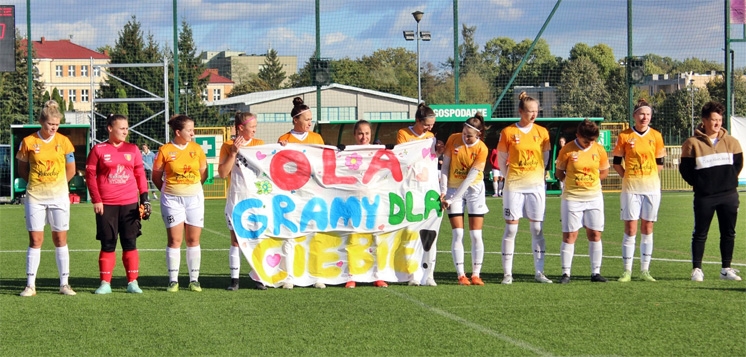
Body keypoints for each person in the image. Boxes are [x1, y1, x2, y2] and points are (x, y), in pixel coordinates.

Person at [16, 100, 77, 297]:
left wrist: (59, 185)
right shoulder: (28, 142)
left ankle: (64, 284)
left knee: (60, 239)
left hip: (59, 197)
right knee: (36, 240)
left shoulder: (64, 142)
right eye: (51, 124)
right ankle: (30, 285)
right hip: (35, 197)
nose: (54, 128)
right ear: (42, 122)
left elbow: (71, 169)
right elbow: (22, 169)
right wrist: (38, 182)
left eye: (57, 124)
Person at [86, 114, 150, 294]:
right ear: (110, 128)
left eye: (126, 128)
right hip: (106, 205)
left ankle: (132, 282)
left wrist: (144, 198)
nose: (125, 131)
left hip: (130, 204)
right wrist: (96, 199)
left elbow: (140, 175)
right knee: (108, 243)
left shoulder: (133, 149)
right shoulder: (98, 149)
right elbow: (90, 176)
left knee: (130, 242)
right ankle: (105, 283)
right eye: (121, 128)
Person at [679, 101, 743, 282]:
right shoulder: (691, 143)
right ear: (704, 120)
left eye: (720, 119)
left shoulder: (732, 142)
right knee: (700, 232)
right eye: (714, 120)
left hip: (729, 195)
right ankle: (697, 269)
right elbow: (685, 169)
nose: (717, 123)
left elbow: (738, 164)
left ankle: (726, 269)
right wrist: (701, 184)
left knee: (729, 232)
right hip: (704, 197)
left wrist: (728, 181)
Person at [496, 91, 552, 284]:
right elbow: (502, 159)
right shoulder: (508, 132)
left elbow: (545, 159)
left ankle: (539, 272)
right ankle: (507, 274)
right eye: (530, 111)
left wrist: (535, 174)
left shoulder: (542, 132)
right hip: (514, 187)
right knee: (511, 230)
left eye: (536, 111)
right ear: (521, 111)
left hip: (536, 187)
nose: (534, 114)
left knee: (537, 229)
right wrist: (511, 176)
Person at [612, 98, 666, 282]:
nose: (645, 117)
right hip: (631, 189)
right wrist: (629, 177)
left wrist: (648, 177)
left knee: (648, 227)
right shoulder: (625, 136)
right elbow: (617, 163)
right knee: (630, 228)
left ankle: (645, 270)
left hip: (651, 189)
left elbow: (660, 163)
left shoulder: (656, 136)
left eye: (648, 114)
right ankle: (627, 271)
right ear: (634, 116)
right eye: (641, 114)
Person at [152, 114, 207, 292]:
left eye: (193, 129)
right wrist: (171, 191)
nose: (193, 132)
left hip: (195, 199)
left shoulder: (197, 149)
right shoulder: (165, 150)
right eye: (189, 130)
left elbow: (203, 173)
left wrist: (192, 188)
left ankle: (194, 280)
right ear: (178, 132)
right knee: (175, 240)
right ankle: (173, 280)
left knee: (193, 239)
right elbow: (156, 177)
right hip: (172, 200)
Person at [278, 97, 325, 289]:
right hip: (290, 193)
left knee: (313, 233)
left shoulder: (317, 138)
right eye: (306, 119)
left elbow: (324, 163)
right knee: (289, 233)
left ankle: (315, 275)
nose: (310, 123)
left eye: (311, 119)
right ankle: (289, 276)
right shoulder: (284, 140)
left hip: (312, 193)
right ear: (296, 120)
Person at [555, 119, 610, 283]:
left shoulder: (599, 150)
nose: (589, 143)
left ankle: (595, 272)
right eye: (586, 140)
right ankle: (566, 273)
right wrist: (574, 184)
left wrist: (590, 184)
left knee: (595, 234)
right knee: (570, 235)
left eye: (592, 140)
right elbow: (559, 174)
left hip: (594, 198)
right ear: (578, 135)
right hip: (572, 198)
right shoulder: (567, 150)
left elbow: (604, 172)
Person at [218, 112, 267, 291]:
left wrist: (282, 147)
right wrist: (233, 153)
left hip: (256, 199)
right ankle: (234, 279)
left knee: (257, 238)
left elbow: (271, 162)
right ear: (241, 128)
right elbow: (223, 173)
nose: (255, 130)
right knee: (236, 241)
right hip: (236, 198)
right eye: (252, 127)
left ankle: (259, 276)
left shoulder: (259, 145)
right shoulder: (227, 146)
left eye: (255, 127)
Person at [440, 113, 489, 286]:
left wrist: (453, 199)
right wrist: (444, 191)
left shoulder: (482, 149)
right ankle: (461, 275)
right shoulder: (453, 139)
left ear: (478, 135)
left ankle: (476, 274)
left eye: (469, 136)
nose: (465, 137)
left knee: (476, 234)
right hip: (453, 189)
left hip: (473, 190)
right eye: (464, 133)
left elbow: (469, 179)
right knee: (458, 233)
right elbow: (445, 166)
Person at [396, 102, 440, 286]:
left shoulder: (431, 137)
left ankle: (429, 274)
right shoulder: (403, 134)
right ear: (417, 120)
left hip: (427, 190)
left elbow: (432, 160)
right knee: (409, 232)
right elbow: (402, 158)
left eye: (432, 125)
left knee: (430, 231)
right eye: (427, 124)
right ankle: (411, 273)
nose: (430, 128)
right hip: (408, 189)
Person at [345, 120, 388, 289]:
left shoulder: (379, 152)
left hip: (374, 202)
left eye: (367, 133)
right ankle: (352, 275)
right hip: (353, 202)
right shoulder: (346, 154)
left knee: (375, 238)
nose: (364, 137)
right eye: (360, 133)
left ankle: (377, 275)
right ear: (355, 135)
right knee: (354, 237)